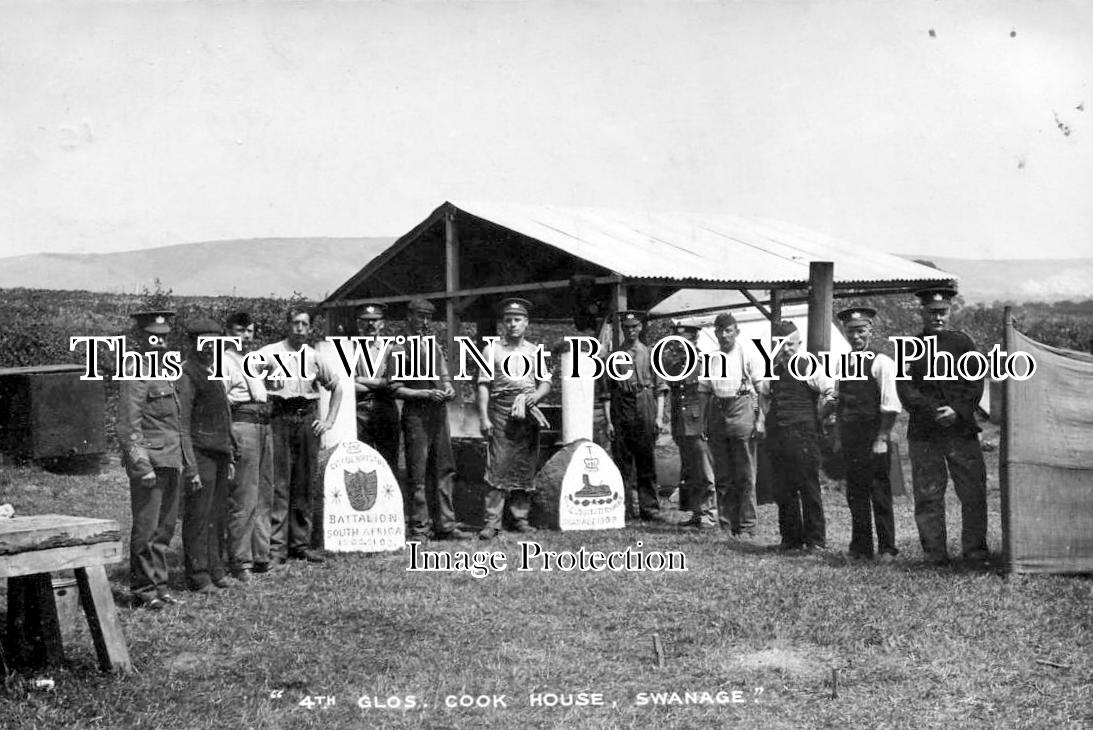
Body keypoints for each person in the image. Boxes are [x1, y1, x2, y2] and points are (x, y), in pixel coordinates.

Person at [896, 287, 988, 566]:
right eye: (931, 312)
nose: (937, 317)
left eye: (942, 312)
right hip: (925, 433)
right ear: (921, 312)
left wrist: (957, 411)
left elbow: (975, 383)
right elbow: (906, 389)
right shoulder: (909, 347)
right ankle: (934, 554)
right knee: (928, 495)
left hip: (961, 432)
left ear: (949, 311)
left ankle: (975, 552)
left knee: (972, 492)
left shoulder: (963, 343)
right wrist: (933, 411)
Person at [258, 307, 345, 563]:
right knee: (280, 482)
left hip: (307, 419)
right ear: (287, 325)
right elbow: (247, 374)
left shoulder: (314, 357)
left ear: (309, 329)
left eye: (304, 324)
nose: (299, 328)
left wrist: (328, 421)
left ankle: (300, 543)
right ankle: (277, 547)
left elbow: (337, 387)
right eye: (295, 323)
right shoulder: (270, 353)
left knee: (304, 482)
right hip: (280, 419)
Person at [117, 310, 186, 610]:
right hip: (151, 463)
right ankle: (144, 590)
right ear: (141, 338)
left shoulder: (167, 371)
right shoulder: (136, 368)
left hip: (172, 460)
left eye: (165, 337)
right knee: (146, 528)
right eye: (153, 337)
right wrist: (140, 464)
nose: (160, 343)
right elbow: (128, 424)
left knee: (164, 528)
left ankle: (160, 585)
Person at [395, 298, 471, 540]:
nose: (424, 321)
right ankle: (420, 528)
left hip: (439, 412)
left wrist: (448, 389)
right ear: (409, 316)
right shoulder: (398, 347)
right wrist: (423, 393)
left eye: (428, 317)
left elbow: (444, 376)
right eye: (420, 316)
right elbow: (395, 388)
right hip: (416, 413)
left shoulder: (433, 345)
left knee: (444, 469)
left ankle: (446, 525)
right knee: (417, 472)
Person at [477, 297, 552, 540]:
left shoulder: (534, 351)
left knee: (524, 463)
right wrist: (484, 418)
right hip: (500, 409)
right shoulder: (492, 350)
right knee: (498, 464)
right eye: (508, 320)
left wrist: (534, 397)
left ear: (526, 323)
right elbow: (483, 386)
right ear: (503, 324)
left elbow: (546, 383)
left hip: (528, 411)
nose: (512, 324)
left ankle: (520, 518)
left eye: (517, 320)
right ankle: (492, 522)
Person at [760, 320, 835, 552]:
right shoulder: (773, 370)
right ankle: (791, 539)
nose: (786, 349)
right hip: (778, 437)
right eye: (781, 345)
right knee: (784, 489)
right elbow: (763, 395)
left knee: (808, 487)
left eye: (790, 345)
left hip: (803, 436)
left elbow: (831, 393)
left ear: (799, 343)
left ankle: (815, 541)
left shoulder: (809, 366)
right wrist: (765, 419)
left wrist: (821, 416)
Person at [835, 307, 901, 562]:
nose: (856, 336)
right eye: (851, 331)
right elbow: (840, 401)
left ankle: (887, 548)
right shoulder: (843, 363)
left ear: (870, 331)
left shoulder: (882, 362)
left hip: (874, 438)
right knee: (856, 493)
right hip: (851, 438)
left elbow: (891, 406)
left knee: (880, 492)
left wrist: (882, 437)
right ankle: (861, 548)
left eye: (861, 331)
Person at [178, 316, 237, 593]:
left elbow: (223, 417)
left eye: (215, 343)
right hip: (201, 454)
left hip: (219, 453)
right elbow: (183, 424)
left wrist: (231, 455)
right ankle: (198, 575)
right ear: (192, 343)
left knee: (217, 514)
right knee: (199, 516)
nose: (210, 348)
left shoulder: (211, 372)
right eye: (205, 343)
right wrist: (191, 468)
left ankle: (215, 568)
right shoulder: (188, 374)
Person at [697, 313, 765, 537]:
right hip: (718, 412)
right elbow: (704, 392)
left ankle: (748, 525)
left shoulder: (747, 354)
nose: (724, 335)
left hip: (741, 408)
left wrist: (761, 418)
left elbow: (761, 389)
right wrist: (704, 422)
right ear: (715, 333)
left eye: (728, 330)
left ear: (736, 331)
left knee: (745, 473)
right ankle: (727, 524)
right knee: (723, 475)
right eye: (720, 331)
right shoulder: (711, 358)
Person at [222, 311, 275, 579]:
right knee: (244, 495)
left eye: (250, 331)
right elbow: (222, 404)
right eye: (240, 330)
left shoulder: (251, 361)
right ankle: (239, 559)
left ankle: (260, 555)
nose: (245, 335)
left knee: (265, 493)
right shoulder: (224, 360)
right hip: (242, 424)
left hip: (264, 425)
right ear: (229, 331)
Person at [602, 310, 668, 522]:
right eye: (627, 327)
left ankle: (649, 508)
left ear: (641, 328)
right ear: (622, 329)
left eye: (635, 327)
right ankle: (624, 508)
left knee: (646, 457)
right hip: (622, 404)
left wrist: (658, 417)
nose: (631, 331)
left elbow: (660, 388)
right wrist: (609, 421)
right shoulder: (613, 357)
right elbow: (606, 393)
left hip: (645, 401)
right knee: (622, 457)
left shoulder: (649, 353)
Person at [663, 323, 716, 529]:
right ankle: (696, 512)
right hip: (682, 425)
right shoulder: (677, 366)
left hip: (698, 423)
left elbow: (710, 396)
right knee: (690, 470)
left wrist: (706, 423)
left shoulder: (704, 363)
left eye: (685, 341)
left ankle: (709, 513)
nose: (680, 346)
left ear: (694, 340)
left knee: (705, 470)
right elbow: (675, 396)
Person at [353, 302, 401, 475]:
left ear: (382, 323)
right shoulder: (350, 350)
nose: (371, 324)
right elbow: (348, 384)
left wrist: (360, 379)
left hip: (385, 407)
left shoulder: (391, 349)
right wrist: (376, 383)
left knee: (388, 460)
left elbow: (391, 382)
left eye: (375, 320)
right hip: (359, 410)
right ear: (359, 324)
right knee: (361, 460)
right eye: (366, 320)